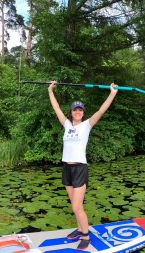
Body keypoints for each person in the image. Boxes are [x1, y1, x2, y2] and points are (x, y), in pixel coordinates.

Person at [48, 81, 118, 250]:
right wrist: (50, 90)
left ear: (83, 112)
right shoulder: (66, 125)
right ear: (71, 112)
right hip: (67, 168)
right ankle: (79, 229)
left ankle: (86, 236)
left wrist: (112, 93)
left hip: (80, 169)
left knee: (76, 206)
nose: (78, 112)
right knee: (74, 203)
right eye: (75, 109)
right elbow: (56, 108)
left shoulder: (87, 125)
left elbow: (101, 110)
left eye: (80, 110)